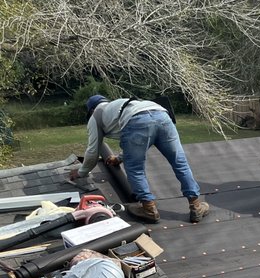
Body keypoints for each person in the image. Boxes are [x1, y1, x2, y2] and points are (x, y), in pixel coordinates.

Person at [69, 95, 210, 224]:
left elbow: (93, 151)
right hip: (162, 115)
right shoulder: (122, 104)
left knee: (135, 169)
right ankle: (196, 206)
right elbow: (143, 138)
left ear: (91, 110)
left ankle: (149, 210)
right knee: (180, 164)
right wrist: (119, 158)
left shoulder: (96, 115)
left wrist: (81, 172)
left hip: (137, 121)